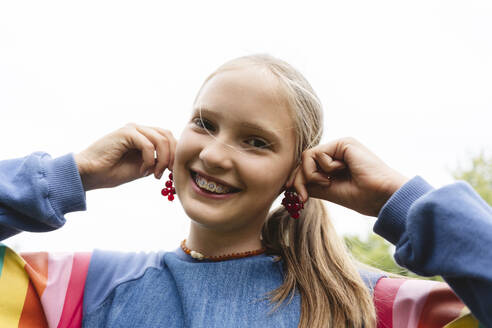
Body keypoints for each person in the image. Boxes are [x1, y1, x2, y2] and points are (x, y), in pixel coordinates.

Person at [0, 54, 489, 327]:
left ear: (294, 171)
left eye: (256, 142)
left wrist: (398, 200)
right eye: (204, 123)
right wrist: (72, 175)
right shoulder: (77, 292)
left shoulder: (378, 307)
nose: (214, 154)